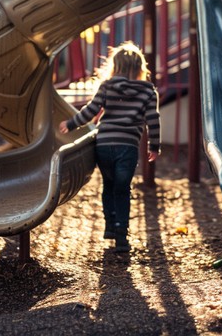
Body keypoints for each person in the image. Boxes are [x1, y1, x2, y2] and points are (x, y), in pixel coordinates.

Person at [59, 41, 161, 252]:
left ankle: (109, 226)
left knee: (108, 185)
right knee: (122, 189)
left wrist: (70, 124)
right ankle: (121, 235)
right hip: (127, 147)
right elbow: (153, 120)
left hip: (104, 145)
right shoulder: (149, 91)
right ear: (140, 67)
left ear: (115, 66)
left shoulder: (107, 86)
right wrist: (155, 146)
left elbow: (90, 111)